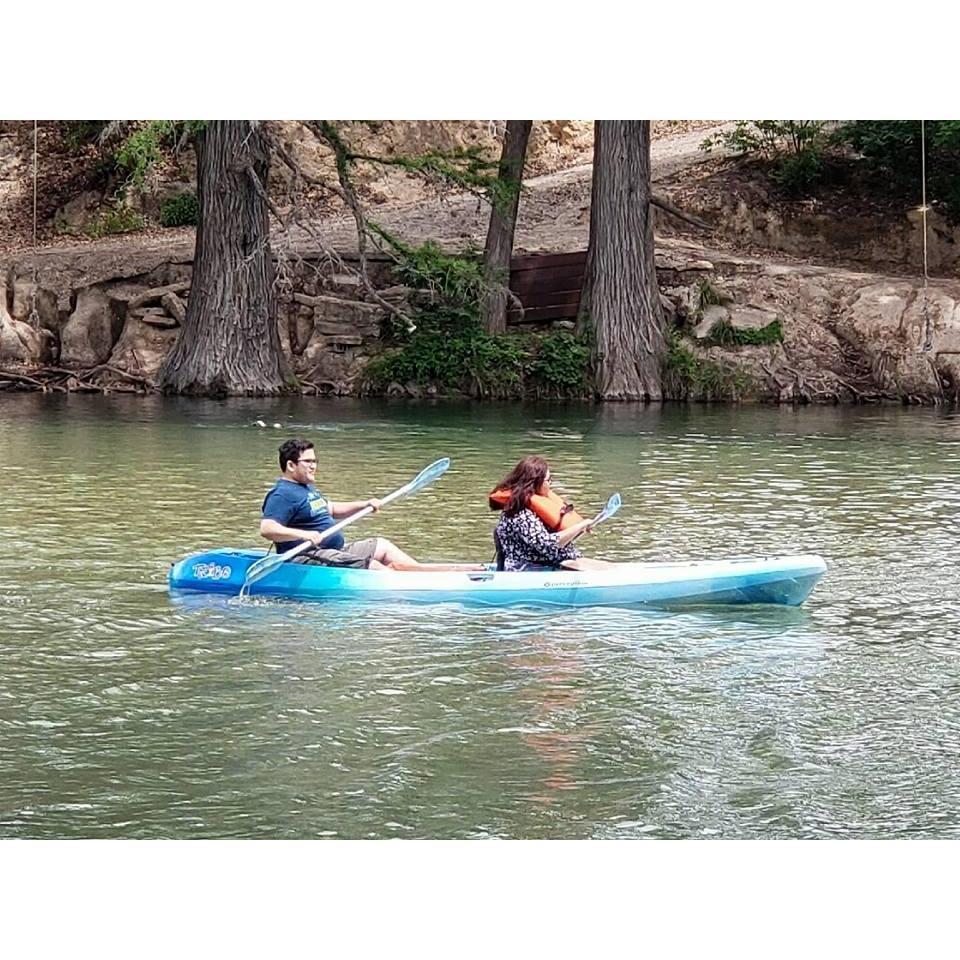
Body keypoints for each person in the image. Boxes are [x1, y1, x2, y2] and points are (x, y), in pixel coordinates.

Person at [260, 438, 421, 570]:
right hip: (305, 556)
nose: (314, 466)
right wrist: (305, 535)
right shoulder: (282, 494)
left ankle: (424, 576)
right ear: (290, 465)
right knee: (371, 565)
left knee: (382, 546)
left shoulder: (306, 488)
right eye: (308, 461)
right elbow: (267, 529)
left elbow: (331, 509)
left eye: (315, 461)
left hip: (332, 551)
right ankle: (403, 584)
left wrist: (364, 504)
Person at [488, 455, 616, 572]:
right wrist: (579, 526)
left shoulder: (533, 507)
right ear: (534, 483)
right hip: (527, 569)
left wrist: (579, 529)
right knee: (605, 570)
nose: (550, 484)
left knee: (609, 567)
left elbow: (554, 540)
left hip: (551, 562)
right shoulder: (520, 513)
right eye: (548, 480)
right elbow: (548, 545)